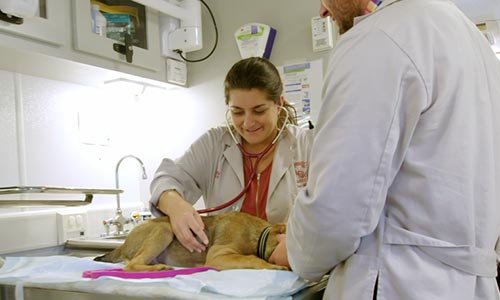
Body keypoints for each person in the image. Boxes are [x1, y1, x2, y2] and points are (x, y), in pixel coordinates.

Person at [269, 0, 500, 299]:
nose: (323, 11)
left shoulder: (379, 38)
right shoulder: (473, 42)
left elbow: (336, 208)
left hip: (400, 282)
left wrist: (298, 250)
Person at [149, 57, 313, 253]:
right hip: (226, 269)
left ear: (279, 104)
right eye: (237, 112)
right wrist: (176, 205)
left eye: (258, 111)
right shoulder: (214, 144)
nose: (248, 123)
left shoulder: (307, 145)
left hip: (288, 265)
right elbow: (166, 178)